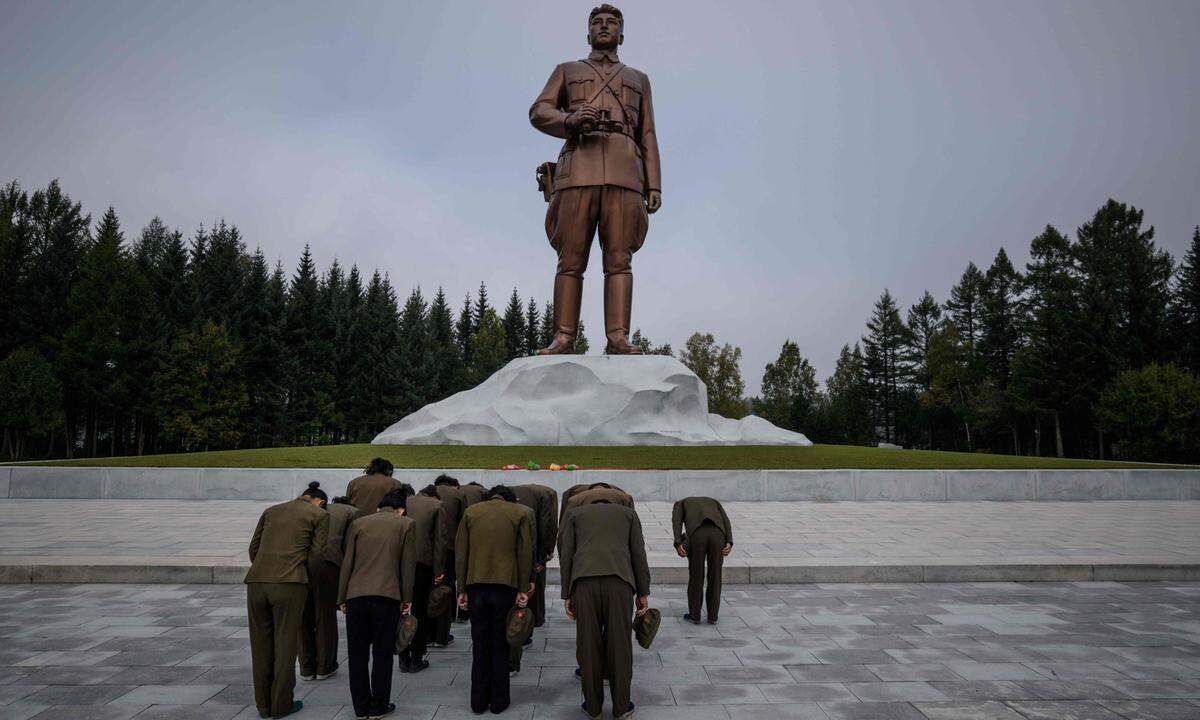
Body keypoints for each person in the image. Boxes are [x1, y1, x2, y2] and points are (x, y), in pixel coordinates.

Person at [530, 3, 663, 355]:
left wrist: (654, 184)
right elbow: (539, 111)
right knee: (570, 259)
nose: (604, 27)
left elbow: (647, 133)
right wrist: (569, 121)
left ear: (622, 34)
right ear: (588, 32)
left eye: (612, 23)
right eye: (597, 22)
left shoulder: (639, 79)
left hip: (625, 173)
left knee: (620, 260)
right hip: (578, 169)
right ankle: (563, 337)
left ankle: (617, 338)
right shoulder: (567, 70)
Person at [560, 499, 651, 720]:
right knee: (620, 644)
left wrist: (567, 593)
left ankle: (593, 708)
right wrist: (643, 591)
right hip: (619, 583)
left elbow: (567, 553)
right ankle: (621, 707)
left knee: (588, 645)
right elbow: (638, 552)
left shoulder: (575, 514)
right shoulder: (628, 515)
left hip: (584, 583)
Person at [245, 484, 330, 719]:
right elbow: (316, 556)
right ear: (320, 501)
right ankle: (281, 704)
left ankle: (263, 705)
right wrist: (307, 581)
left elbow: (254, 548)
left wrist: (265, 569)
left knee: (260, 646)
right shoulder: (320, 515)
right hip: (290, 583)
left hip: (257, 582)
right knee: (285, 644)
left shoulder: (272, 510)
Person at [338, 489, 417, 720]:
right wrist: (407, 599)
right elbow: (407, 566)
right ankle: (379, 706)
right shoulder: (406, 524)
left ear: (378, 508)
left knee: (357, 653)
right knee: (382, 653)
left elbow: (348, 562)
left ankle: (361, 708)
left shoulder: (359, 524)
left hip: (356, 595)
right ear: (401, 509)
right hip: (387, 595)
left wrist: (341, 597)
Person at [455, 485, 534, 714]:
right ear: (510, 499)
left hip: (476, 585)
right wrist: (522, 587)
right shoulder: (519, 513)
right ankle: (499, 701)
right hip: (505, 586)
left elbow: (462, 553)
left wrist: (462, 589)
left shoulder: (471, 512)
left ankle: (478, 701)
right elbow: (524, 553)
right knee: (501, 642)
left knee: (479, 643)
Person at [300, 486, 360, 682]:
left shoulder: (312, 509)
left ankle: (307, 668)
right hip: (329, 568)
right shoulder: (351, 512)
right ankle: (325, 666)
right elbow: (351, 548)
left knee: (304, 618)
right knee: (325, 618)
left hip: (302, 567)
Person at [401, 484, 448, 672]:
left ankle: (402, 657)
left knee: (403, 609)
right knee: (419, 611)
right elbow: (440, 541)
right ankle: (416, 658)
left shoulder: (404, 501)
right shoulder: (437, 506)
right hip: (422, 564)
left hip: (401, 562)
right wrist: (439, 570)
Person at [672, 496, 733, 625]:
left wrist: (678, 542)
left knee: (696, 575)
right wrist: (729, 541)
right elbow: (726, 520)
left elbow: (676, 521)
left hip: (697, 535)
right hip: (718, 535)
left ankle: (695, 615)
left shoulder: (680, 504)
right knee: (715, 576)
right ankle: (713, 616)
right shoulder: (714, 501)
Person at [511, 483, 559, 627]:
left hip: (514, 545)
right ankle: (536, 618)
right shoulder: (547, 494)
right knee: (536, 582)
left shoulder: (513, 493)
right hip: (536, 543)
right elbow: (548, 525)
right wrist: (545, 553)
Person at [432, 475, 466, 644]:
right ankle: (444, 628)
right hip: (450, 547)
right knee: (448, 585)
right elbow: (464, 522)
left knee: (431, 589)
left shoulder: (426, 493)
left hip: (429, 551)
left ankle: (430, 632)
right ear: (454, 485)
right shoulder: (458, 495)